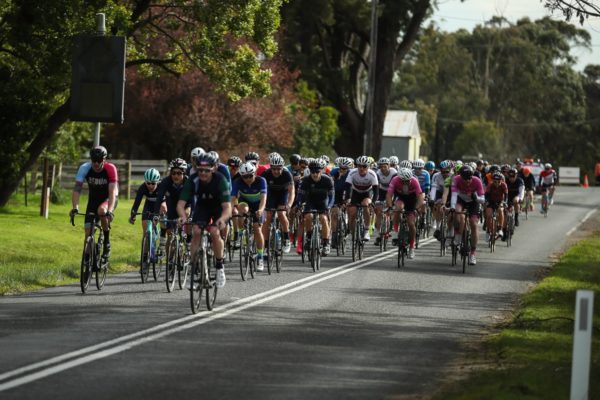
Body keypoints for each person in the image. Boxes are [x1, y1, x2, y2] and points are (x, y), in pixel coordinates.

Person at [177, 153, 231, 288]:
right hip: (202, 207)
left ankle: (219, 267)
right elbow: (180, 204)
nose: (203, 173)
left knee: (214, 232)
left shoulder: (220, 180)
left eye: (207, 170)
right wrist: (183, 217)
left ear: (214, 169)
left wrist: (222, 219)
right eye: (200, 170)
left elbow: (227, 207)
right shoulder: (193, 180)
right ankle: (195, 266)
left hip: (218, 208)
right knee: (196, 231)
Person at [70, 146, 118, 261]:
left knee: (102, 211)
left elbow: (112, 192)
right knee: (88, 233)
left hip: (109, 199)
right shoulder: (84, 168)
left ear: (104, 159)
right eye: (93, 160)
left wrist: (110, 211)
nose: (96, 163)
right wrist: (75, 207)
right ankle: (87, 262)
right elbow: (77, 189)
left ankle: (106, 241)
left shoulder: (110, 168)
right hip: (93, 200)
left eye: (99, 160)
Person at [231, 162, 267, 270]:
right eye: (244, 177)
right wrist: (232, 208)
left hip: (258, 205)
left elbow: (264, 198)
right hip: (245, 202)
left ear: (254, 173)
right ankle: (242, 231)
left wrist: (260, 210)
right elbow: (233, 198)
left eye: (250, 176)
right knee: (243, 210)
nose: (247, 179)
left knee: (257, 229)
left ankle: (260, 257)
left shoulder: (261, 181)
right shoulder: (238, 181)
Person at [296, 158, 334, 256]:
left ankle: (325, 243)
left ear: (321, 171)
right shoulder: (306, 180)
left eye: (317, 171)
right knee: (308, 217)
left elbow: (331, 196)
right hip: (310, 202)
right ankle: (309, 237)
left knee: (323, 219)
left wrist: (329, 206)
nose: (315, 174)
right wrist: (299, 205)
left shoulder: (327, 180)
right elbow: (300, 196)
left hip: (323, 202)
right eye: (313, 171)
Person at [386, 167, 424, 259]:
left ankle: (411, 247)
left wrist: (416, 208)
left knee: (411, 224)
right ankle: (396, 231)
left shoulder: (414, 181)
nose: (406, 182)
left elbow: (420, 197)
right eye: (404, 181)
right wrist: (390, 207)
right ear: (400, 179)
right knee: (397, 209)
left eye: (408, 181)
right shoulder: (395, 180)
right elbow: (389, 194)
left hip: (412, 200)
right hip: (401, 198)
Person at [450, 165, 485, 265]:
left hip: (474, 202)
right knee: (456, 212)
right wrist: (452, 207)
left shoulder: (477, 181)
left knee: (474, 224)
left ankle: (473, 253)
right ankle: (457, 234)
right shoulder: (456, 179)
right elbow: (454, 195)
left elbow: (483, 200)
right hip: (461, 200)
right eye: (466, 179)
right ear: (461, 177)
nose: (468, 181)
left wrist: (476, 198)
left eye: (470, 178)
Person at [261, 153, 295, 253]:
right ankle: (266, 245)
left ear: (282, 167)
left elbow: (292, 192)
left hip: (282, 194)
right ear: (270, 167)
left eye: (278, 169)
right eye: (274, 169)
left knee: (281, 214)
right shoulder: (266, 173)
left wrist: (289, 205)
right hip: (271, 194)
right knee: (267, 217)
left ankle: (286, 238)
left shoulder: (287, 174)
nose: (276, 171)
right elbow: (261, 191)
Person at [129, 168, 164, 252]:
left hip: (160, 204)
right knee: (145, 230)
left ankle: (162, 233)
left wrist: (161, 214)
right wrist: (133, 215)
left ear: (158, 182)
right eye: (148, 183)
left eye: (153, 183)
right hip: (148, 205)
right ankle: (145, 256)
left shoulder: (162, 187)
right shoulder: (143, 187)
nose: (150, 186)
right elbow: (137, 202)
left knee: (164, 207)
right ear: (145, 182)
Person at [155, 158, 190, 242]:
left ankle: (188, 243)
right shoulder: (166, 181)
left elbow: (192, 200)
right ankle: (169, 253)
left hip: (185, 206)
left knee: (188, 221)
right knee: (170, 234)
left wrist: (189, 211)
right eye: (173, 173)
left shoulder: (188, 182)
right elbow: (159, 197)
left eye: (179, 173)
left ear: (184, 173)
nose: (176, 176)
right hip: (171, 206)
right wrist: (156, 213)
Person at [345, 155, 379, 241]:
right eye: (359, 166)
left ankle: (367, 230)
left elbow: (376, 191)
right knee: (352, 212)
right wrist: (348, 198)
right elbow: (348, 187)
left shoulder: (372, 174)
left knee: (365, 204)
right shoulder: (352, 172)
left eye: (364, 166)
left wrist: (373, 202)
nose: (362, 168)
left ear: (368, 167)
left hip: (367, 193)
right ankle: (353, 233)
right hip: (355, 193)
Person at [373, 157, 397, 246]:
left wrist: (392, 201)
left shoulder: (394, 173)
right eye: (381, 167)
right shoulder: (378, 173)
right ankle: (379, 233)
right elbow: (376, 187)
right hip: (382, 191)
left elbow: (395, 188)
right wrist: (376, 201)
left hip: (392, 191)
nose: (383, 168)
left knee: (391, 208)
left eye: (385, 166)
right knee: (378, 210)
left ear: (389, 166)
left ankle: (390, 223)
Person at [330, 157, 353, 249]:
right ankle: (334, 235)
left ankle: (348, 226)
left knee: (350, 209)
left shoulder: (352, 173)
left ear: (348, 169)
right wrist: (335, 178)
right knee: (334, 213)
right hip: (336, 193)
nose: (342, 170)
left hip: (348, 191)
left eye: (344, 169)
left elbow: (350, 189)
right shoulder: (334, 172)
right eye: (340, 168)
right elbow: (329, 184)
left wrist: (347, 200)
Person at [484, 172, 507, 241]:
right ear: (492, 181)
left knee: (500, 210)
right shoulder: (490, 185)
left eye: (498, 181)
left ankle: (500, 229)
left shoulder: (503, 185)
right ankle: (488, 231)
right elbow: (486, 195)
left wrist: (504, 202)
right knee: (489, 215)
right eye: (495, 181)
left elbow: (506, 195)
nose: (497, 183)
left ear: (501, 180)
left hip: (500, 201)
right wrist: (487, 202)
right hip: (491, 201)